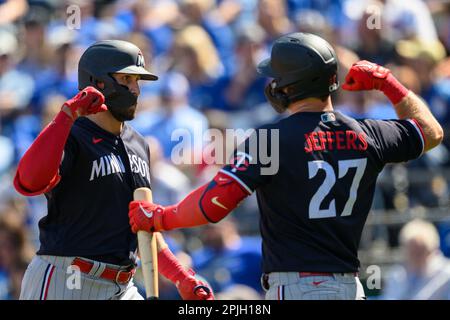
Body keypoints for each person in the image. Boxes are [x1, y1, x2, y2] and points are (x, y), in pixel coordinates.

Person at [128, 32, 443, 300]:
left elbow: (214, 204)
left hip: (296, 287)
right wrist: (388, 83)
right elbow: (431, 132)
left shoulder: (271, 139)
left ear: (289, 85)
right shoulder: (370, 133)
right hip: (350, 286)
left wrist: (163, 217)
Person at [13, 40, 213, 300]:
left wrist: (180, 276)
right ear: (98, 82)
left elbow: (144, 225)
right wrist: (65, 117)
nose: (136, 90)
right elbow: (28, 182)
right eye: (127, 79)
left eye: (138, 81)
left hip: (122, 285)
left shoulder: (140, 144)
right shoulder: (71, 134)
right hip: (68, 278)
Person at [382, 219, 450, 300]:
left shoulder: (447, 274)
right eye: (412, 251)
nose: (416, 257)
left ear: (433, 249)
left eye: (421, 251)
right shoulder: (396, 275)